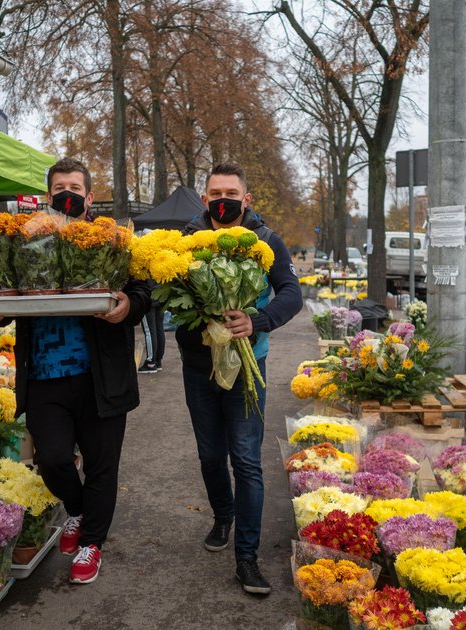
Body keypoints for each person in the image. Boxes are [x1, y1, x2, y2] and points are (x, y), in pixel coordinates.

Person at [0, 158, 151, 585]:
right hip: (45, 375)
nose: (67, 193)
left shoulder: (115, 239)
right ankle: (76, 510)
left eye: (75, 187)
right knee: (52, 460)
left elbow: (144, 291)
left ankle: (91, 543)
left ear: (90, 197)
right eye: (60, 187)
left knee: (102, 465)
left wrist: (129, 306)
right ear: (48, 194)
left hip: (101, 377)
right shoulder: (25, 239)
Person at [176, 163, 302, 594]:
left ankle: (246, 558)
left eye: (232, 192)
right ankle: (223, 514)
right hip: (199, 366)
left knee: (246, 460)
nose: (223, 199)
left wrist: (259, 320)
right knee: (211, 455)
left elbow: (292, 292)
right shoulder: (187, 242)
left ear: (246, 199)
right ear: (205, 197)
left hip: (251, 365)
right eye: (215, 193)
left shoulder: (265, 241)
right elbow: (168, 294)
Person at [138, 278, 165, 373]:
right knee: (159, 329)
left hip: (148, 296)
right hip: (160, 293)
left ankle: (150, 362)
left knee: (149, 330)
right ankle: (158, 361)